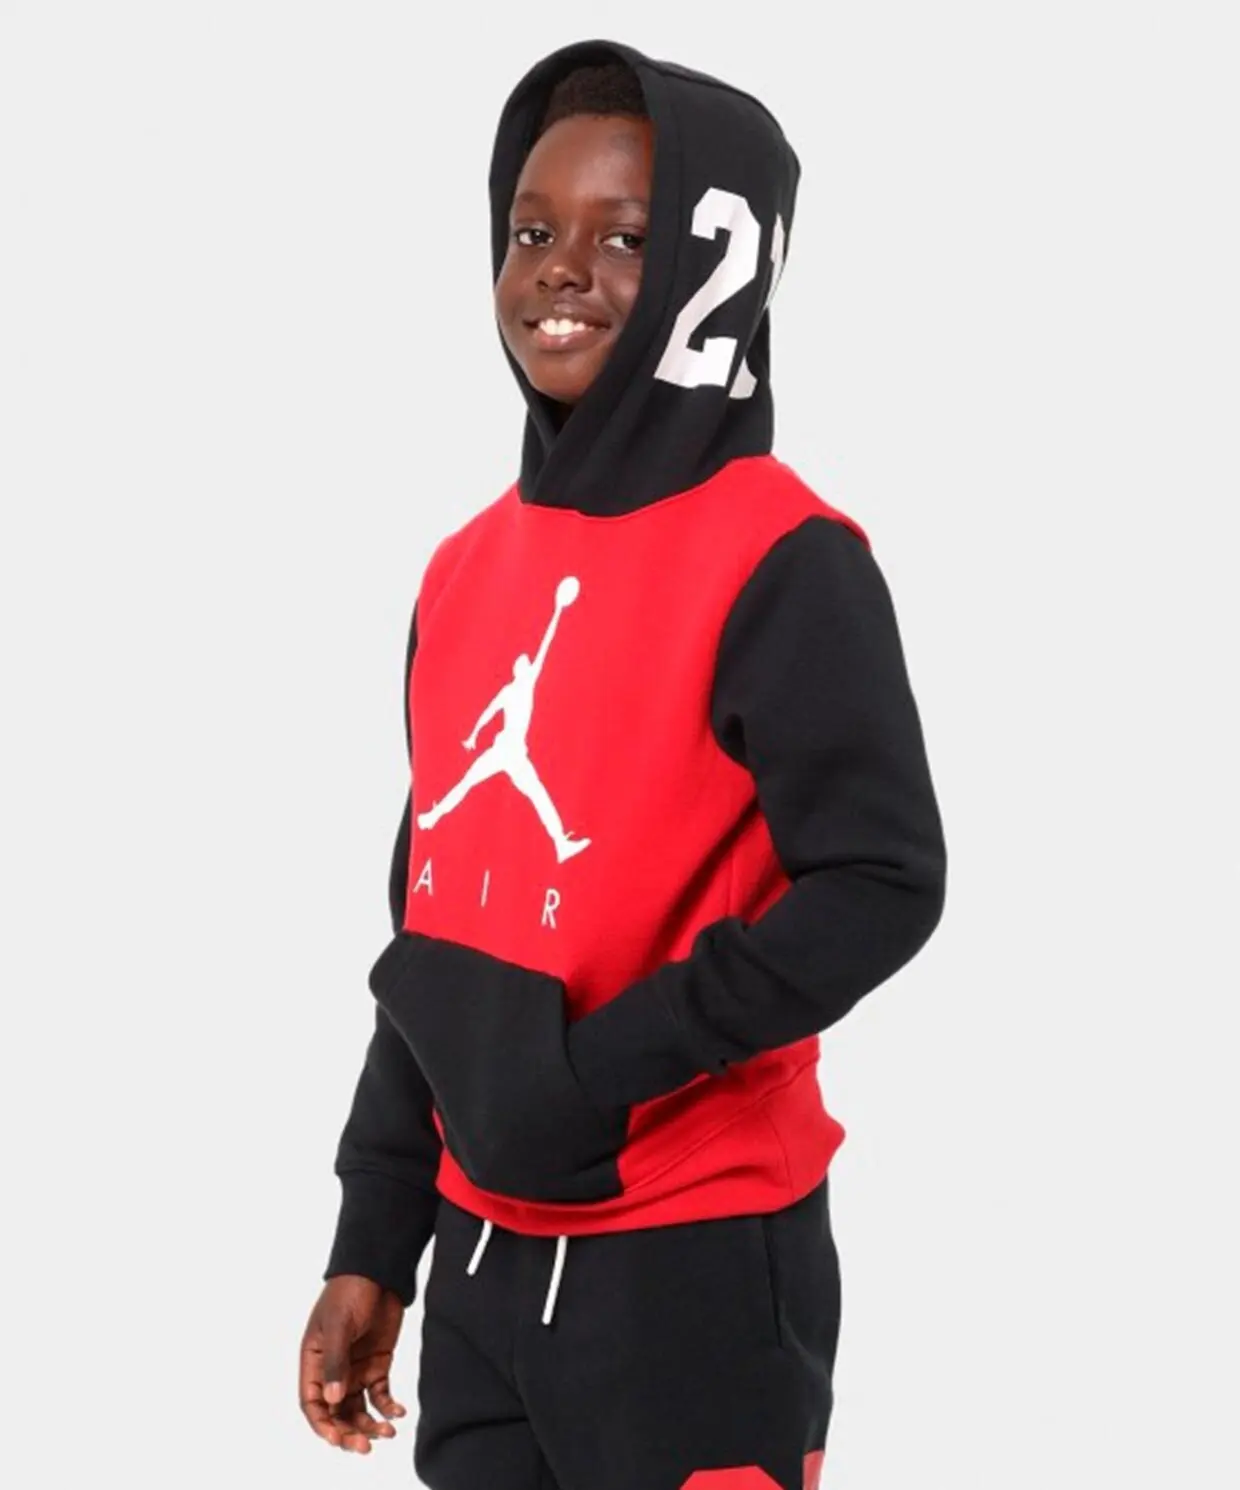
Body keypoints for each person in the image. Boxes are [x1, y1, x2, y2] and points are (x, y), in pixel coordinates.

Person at [299, 38, 946, 1490]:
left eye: (625, 237)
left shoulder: (784, 558)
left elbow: (883, 881)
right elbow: (436, 928)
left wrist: (605, 1069)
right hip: (477, 1264)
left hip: (689, 1265)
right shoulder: (464, 569)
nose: (563, 271)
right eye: (533, 231)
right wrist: (375, 1235)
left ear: (719, 260)